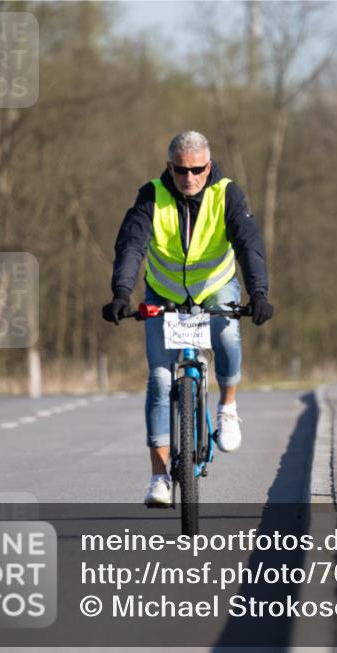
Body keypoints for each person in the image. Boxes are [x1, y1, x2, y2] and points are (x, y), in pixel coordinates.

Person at [101, 131, 274, 505]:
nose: (189, 177)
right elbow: (132, 245)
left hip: (215, 287)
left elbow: (249, 244)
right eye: (181, 170)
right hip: (163, 293)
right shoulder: (151, 195)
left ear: (208, 167)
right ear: (169, 167)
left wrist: (258, 294)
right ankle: (159, 477)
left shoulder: (227, 193)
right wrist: (121, 293)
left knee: (227, 336)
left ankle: (227, 407)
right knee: (160, 379)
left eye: (197, 170)